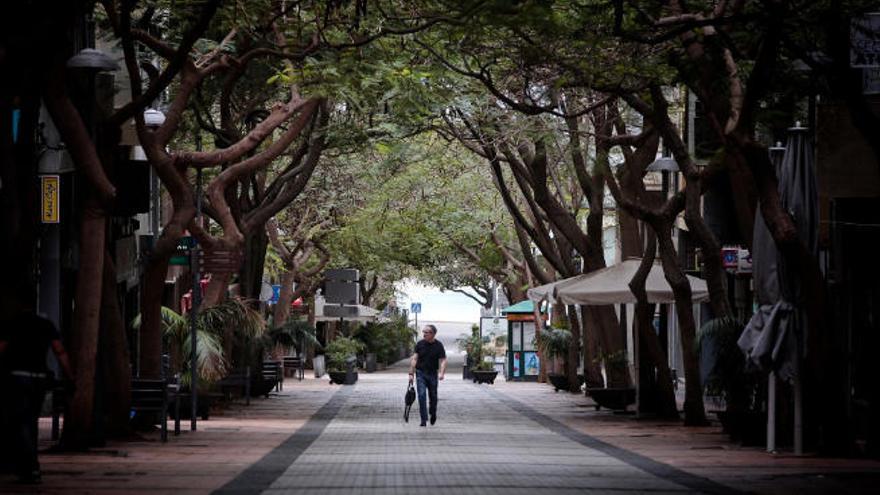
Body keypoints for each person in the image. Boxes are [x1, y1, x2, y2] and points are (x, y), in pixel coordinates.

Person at [0, 301, 73, 484]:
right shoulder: (45, 323)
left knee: (19, 422)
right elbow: (59, 350)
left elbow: (1, 348)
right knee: (31, 421)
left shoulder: (13, 322)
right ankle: (30, 467)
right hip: (39, 378)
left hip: (17, 376)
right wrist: (70, 375)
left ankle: (29, 466)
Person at [408, 324, 447, 427]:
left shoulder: (439, 345)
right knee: (421, 395)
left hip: (433, 374)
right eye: (423, 332)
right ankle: (423, 419)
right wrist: (411, 373)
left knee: (433, 396)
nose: (424, 334)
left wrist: (442, 373)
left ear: (433, 334)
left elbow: (443, 360)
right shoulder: (420, 344)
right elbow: (414, 359)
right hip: (420, 373)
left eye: (426, 332)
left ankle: (433, 413)